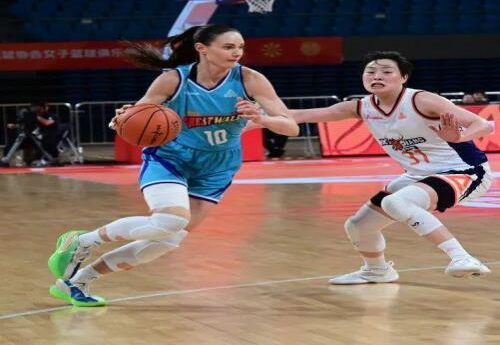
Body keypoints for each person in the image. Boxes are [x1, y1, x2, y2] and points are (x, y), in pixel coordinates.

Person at [47, 24, 299, 306]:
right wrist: (125, 118)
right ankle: (83, 241)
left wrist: (261, 118)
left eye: (240, 47)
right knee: (170, 221)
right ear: (202, 49)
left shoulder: (251, 79)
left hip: (218, 166)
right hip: (170, 158)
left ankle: (77, 282)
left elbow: (291, 127)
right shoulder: (173, 80)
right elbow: (137, 113)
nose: (237, 53)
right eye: (229, 47)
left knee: (168, 240)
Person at [243, 51, 493, 284]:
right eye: (370, 72)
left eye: (386, 71)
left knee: (396, 202)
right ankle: (377, 270)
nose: (377, 76)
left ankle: (462, 258)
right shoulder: (362, 106)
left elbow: (484, 125)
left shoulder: (422, 100)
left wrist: (459, 136)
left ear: (403, 77)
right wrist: (259, 119)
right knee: (359, 225)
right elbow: (300, 115)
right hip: (419, 175)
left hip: (464, 171)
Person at [1, 101, 59, 166]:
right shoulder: (32, 116)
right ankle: (5, 160)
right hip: (32, 138)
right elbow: (26, 125)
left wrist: (36, 117)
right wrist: (15, 125)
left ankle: (52, 160)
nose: (37, 110)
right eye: (34, 108)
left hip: (46, 138)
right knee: (11, 145)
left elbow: (47, 123)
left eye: (39, 109)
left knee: (48, 144)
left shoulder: (51, 115)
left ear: (43, 108)